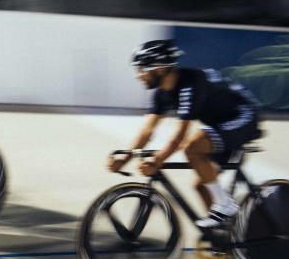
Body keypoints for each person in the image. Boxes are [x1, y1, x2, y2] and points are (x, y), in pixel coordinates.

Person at [109, 40, 262, 228]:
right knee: (201, 184)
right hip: (221, 125)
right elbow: (148, 130)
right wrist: (126, 156)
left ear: (160, 68)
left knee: (193, 146)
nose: (138, 76)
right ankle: (225, 234)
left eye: (142, 69)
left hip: (244, 116)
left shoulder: (189, 84)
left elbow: (180, 136)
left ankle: (226, 205)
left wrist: (157, 161)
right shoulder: (161, 93)